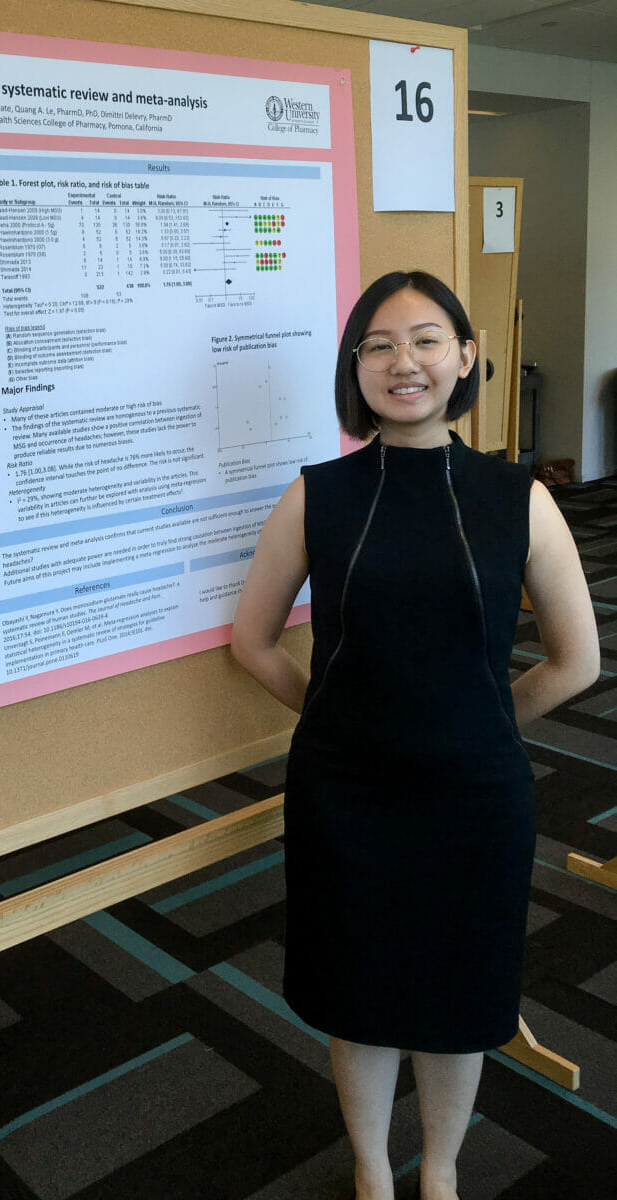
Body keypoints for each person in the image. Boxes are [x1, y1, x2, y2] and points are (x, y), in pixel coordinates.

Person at [231, 270, 599, 1200]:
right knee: (358, 1001)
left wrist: (484, 724)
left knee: (459, 1001)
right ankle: (370, 1171)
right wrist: (333, 714)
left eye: (427, 340)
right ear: (355, 369)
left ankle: (439, 1173)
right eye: (380, 346)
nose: (405, 363)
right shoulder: (319, 495)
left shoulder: (518, 497)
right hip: (346, 798)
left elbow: (576, 661)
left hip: (475, 800)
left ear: (466, 358)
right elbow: (253, 640)